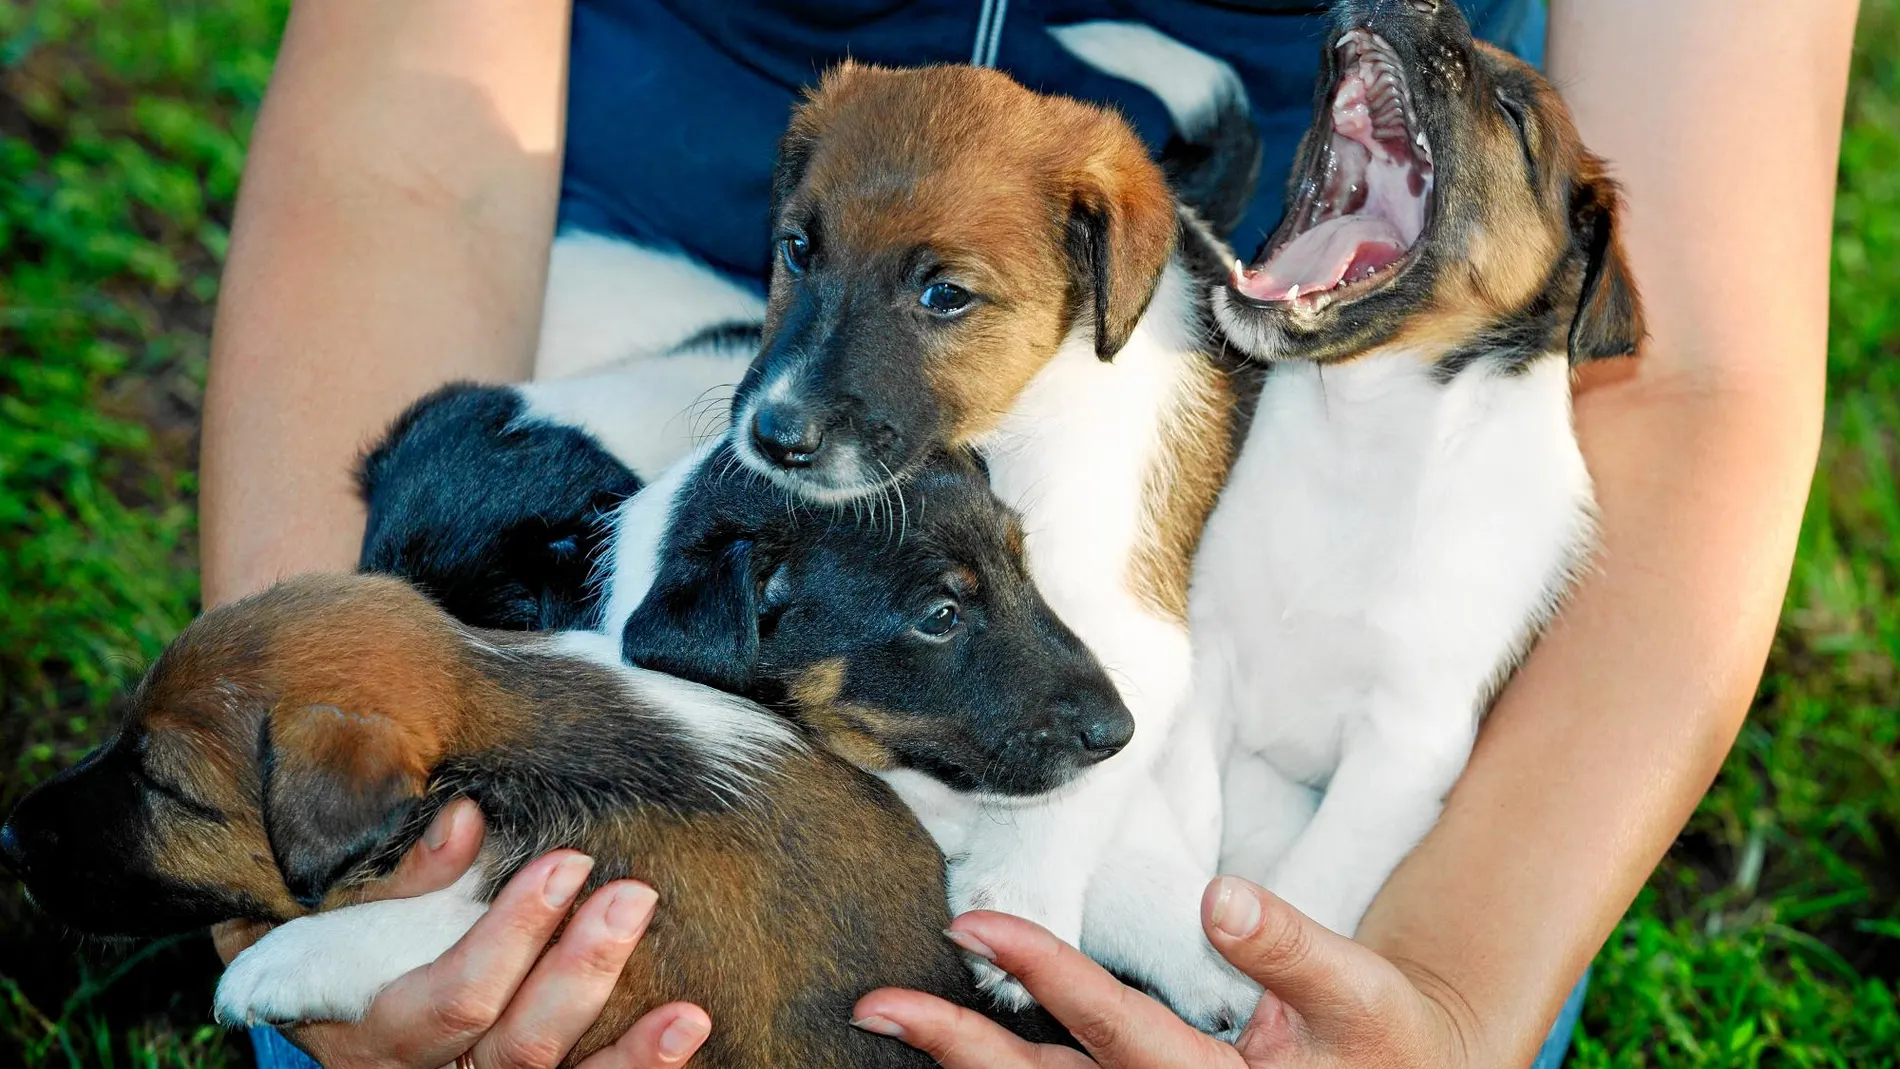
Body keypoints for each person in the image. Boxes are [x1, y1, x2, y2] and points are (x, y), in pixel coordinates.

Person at [198, 0, 1860, 1066]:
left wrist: (1441, 989)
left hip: (1275, 445)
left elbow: (1691, 370)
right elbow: (403, 165)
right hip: (607, 281)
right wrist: (306, 819)